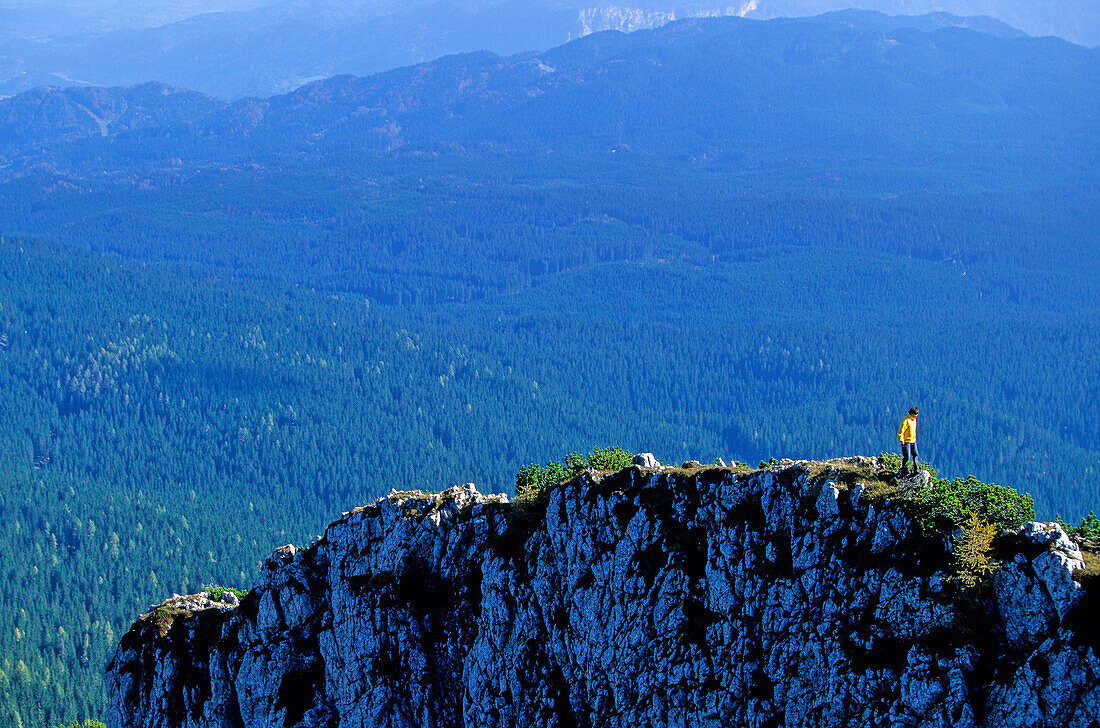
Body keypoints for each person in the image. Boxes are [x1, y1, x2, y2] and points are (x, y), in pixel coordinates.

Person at [897, 407, 919, 474]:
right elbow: (901, 431)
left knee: (915, 454)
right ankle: (904, 470)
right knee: (907, 457)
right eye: (915, 414)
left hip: (913, 440)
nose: (916, 416)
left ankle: (916, 469)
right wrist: (901, 440)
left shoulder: (914, 420)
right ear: (912, 413)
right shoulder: (906, 420)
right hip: (906, 441)